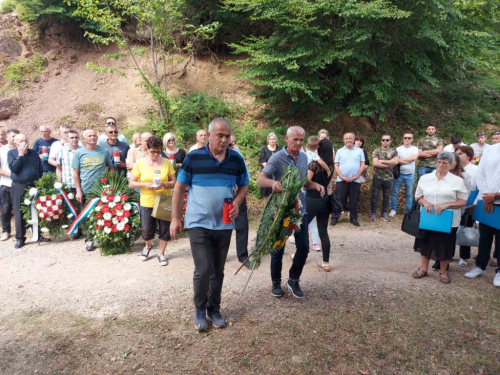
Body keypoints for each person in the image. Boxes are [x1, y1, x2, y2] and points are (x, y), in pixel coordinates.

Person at [170, 118, 249, 332]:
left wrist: (237, 203)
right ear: (210, 134)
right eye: (220, 136)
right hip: (198, 222)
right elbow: (179, 188)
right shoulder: (193, 157)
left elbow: (244, 185)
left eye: (227, 136)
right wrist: (176, 218)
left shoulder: (236, 160)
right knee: (203, 268)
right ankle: (199, 308)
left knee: (218, 270)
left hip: (223, 224)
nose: (224, 140)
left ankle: (214, 309)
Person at [256, 126, 325, 299]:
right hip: (281, 211)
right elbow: (260, 179)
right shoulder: (277, 157)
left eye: (301, 140)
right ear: (286, 139)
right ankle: (276, 282)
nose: (298, 143)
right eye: (295, 139)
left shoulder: (303, 157)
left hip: (300, 209)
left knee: (304, 247)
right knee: (278, 249)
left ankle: (293, 279)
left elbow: (303, 182)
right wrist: (272, 184)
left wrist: (314, 185)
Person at [412, 152, 467, 284]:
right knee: (424, 243)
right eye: (439, 162)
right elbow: (418, 196)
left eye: (445, 163)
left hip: (447, 219)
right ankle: (423, 269)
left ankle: (443, 272)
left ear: (451, 164)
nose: (441, 165)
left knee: (445, 246)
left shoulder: (457, 181)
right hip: (428, 217)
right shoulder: (425, 178)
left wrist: (448, 204)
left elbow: (463, 200)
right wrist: (425, 202)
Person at [130, 136, 177, 266]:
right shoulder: (140, 163)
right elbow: (132, 183)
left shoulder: (167, 162)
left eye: (158, 151)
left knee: (164, 230)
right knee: (147, 229)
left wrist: (164, 184)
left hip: (163, 200)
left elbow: (174, 182)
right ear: (147, 149)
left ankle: (161, 254)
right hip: (147, 200)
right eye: (152, 151)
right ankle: (148, 246)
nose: (155, 154)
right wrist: (144, 185)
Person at [464, 144, 500, 286]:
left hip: (496, 198)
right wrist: (487, 196)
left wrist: (496, 195)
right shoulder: (490, 150)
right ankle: (480, 266)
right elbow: (480, 174)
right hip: (486, 200)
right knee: (484, 236)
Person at [72, 129, 113, 251]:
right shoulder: (79, 153)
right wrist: (78, 190)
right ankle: (89, 239)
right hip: (87, 190)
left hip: (102, 190)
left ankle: (102, 238)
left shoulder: (104, 151)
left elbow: (111, 168)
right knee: (88, 216)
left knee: (103, 214)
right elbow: (75, 173)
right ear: (84, 138)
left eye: (95, 135)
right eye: (90, 136)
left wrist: (110, 184)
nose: (93, 137)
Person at [8, 134, 44, 248]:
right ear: (16, 143)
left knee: (37, 209)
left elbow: (40, 168)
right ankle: (20, 238)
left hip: (33, 185)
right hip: (19, 186)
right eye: (21, 141)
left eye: (26, 140)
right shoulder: (12, 153)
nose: (24, 142)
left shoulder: (33, 153)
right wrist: (20, 155)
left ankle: (38, 234)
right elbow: (14, 168)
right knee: (19, 212)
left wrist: (39, 181)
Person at [306, 139, 334, 271]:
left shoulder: (313, 164)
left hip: (312, 200)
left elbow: (307, 181)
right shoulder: (331, 166)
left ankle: (301, 256)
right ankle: (326, 262)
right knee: (323, 231)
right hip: (325, 201)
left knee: (301, 228)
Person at [331, 132, 365, 227]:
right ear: (343, 140)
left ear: (354, 140)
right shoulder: (339, 151)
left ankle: (354, 219)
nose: (348, 140)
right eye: (346, 138)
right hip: (341, 180)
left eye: (350, 138)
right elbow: (336, 165)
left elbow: (362, 165)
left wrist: (356, 176)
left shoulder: (359, 151)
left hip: (355, 180)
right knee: (339, 200)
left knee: (353, 200)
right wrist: (342, 176)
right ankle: (335, 218)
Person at [56, 130, 84, 239]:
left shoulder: (83, 150)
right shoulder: (62, 151)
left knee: (81, 207)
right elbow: (59, 167)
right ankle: (75, 229)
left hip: (81, 184)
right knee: (71, 208)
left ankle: (82, 228)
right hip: (67, 183)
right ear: (67, 139)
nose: (74, 140)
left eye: (76, 137)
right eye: (71, 138)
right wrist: (59, 182)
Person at [454, 146, 478, 267]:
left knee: (465, 229)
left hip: (470, 203)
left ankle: (464, 256)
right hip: (454, 203)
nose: (457, 155)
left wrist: (475, 203)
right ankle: (449, 252)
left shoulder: (475, 170)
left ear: (468, 156)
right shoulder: (453, 168)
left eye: (460, 153)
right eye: (456, 153)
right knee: (452, 228)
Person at [229, 134, 251, 269]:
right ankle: (218, 256)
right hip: (221, 196)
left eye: (233, 143)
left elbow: (246, 176)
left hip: (238, 195)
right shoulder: (214, 155)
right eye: (230, 144)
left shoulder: (238, 154)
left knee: (242, 225)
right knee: (219, 227)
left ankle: (243, 256)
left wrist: (240, 187)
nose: (231, 146)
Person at [390, 132, 418, 217]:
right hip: (399, 174)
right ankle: (393, 209)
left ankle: (408, 210)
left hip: (410, 175)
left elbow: (413, 158)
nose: (407, 139)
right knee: (395, 193)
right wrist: (407, 160)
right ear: (403, 139)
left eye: (409, 138)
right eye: (405, 138)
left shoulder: (415, 149)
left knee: (409, 194)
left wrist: (401, 160)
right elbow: (395, 160)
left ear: (412, 139)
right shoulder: (398, 149)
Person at [370, 134, 398, 222]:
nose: (385, 142)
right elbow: (375, 163)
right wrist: (389, 163)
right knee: (374, 196)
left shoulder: (394, 151)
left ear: (390, 141)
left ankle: (384, 213)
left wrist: (382, 161)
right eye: (383, 140)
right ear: (381, 141)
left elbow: (396, 162)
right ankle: (373, 214)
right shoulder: (377, 151)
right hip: (377, 177)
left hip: (388, 178)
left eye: (387, 140)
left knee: (386, 196)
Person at [0, 128, 19, 241]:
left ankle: (25, 228)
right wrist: (13, 176)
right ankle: (6, 231)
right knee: (6, 209)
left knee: (21, 208)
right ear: (7, 137)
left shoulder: (22, 150)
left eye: (16, 136)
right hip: (6, 184)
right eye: (12, 136)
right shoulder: (1, 151)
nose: (14, 138)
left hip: (20, 184)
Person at [258, 132, 282, 198]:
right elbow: (262, 161)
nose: (272, 141)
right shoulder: (264, 149)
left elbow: (281, 161)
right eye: (270, 139)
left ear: (276, 140)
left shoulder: (280, 149)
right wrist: (270, 170)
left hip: (277, 175)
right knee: (266, 196)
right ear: (268, 140)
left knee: (276, 195)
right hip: (266, 174)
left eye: (273, 139)